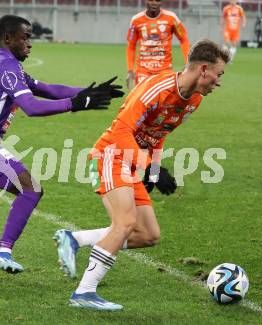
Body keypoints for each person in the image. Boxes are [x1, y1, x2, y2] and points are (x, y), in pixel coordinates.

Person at [54, 39, 230, 311]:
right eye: (219, 75)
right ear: (204, 69)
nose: (219, 82)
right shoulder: (156, 88)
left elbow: (159, 134)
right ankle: (84, 292)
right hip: (111, 155)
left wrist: (154, 169)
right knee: (125, 223)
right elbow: (122, 130)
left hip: (135, 162)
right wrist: (147, 166)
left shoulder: (193, 99)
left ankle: (75, 239)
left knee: (148, 234)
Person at [0, 15, 123, 272]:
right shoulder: (7, 67)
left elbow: (46, 89)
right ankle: (3, 251)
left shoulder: (8, 64)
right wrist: (76, 104)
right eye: (25, 37)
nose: (30, 43)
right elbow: (32, 107)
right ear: (8, 38)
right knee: (31, 188)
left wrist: (88, 92)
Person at [126, 0, 190, 89]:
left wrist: (188, 62)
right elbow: (131, 46)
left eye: (158, 0)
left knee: (165, 101)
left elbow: (184, 39)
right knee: (141, 101)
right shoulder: (136, 20)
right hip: (143, 71)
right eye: (151, 0)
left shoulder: (171, 18)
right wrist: (130, 70)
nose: (154, 3)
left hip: (165, 71)